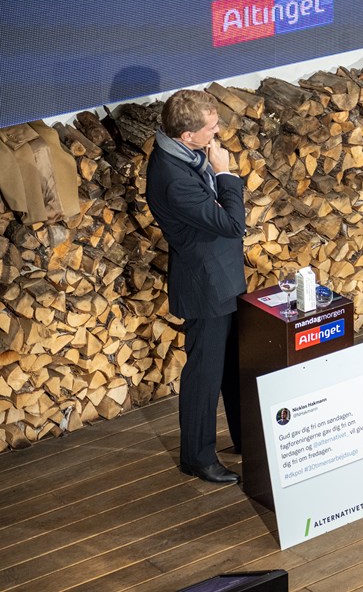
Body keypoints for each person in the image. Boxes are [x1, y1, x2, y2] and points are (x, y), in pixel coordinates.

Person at [146, 89, 247, 485]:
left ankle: (244, 438)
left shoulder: (181, 155)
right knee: (204, 374)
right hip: (206, 286)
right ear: (187, 136)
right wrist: (225, 174)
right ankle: (198, 457)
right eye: (212, 127)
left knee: (232, 366)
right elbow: (231, 224)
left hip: (222, 277)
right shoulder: (174, 177)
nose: (218, 132)